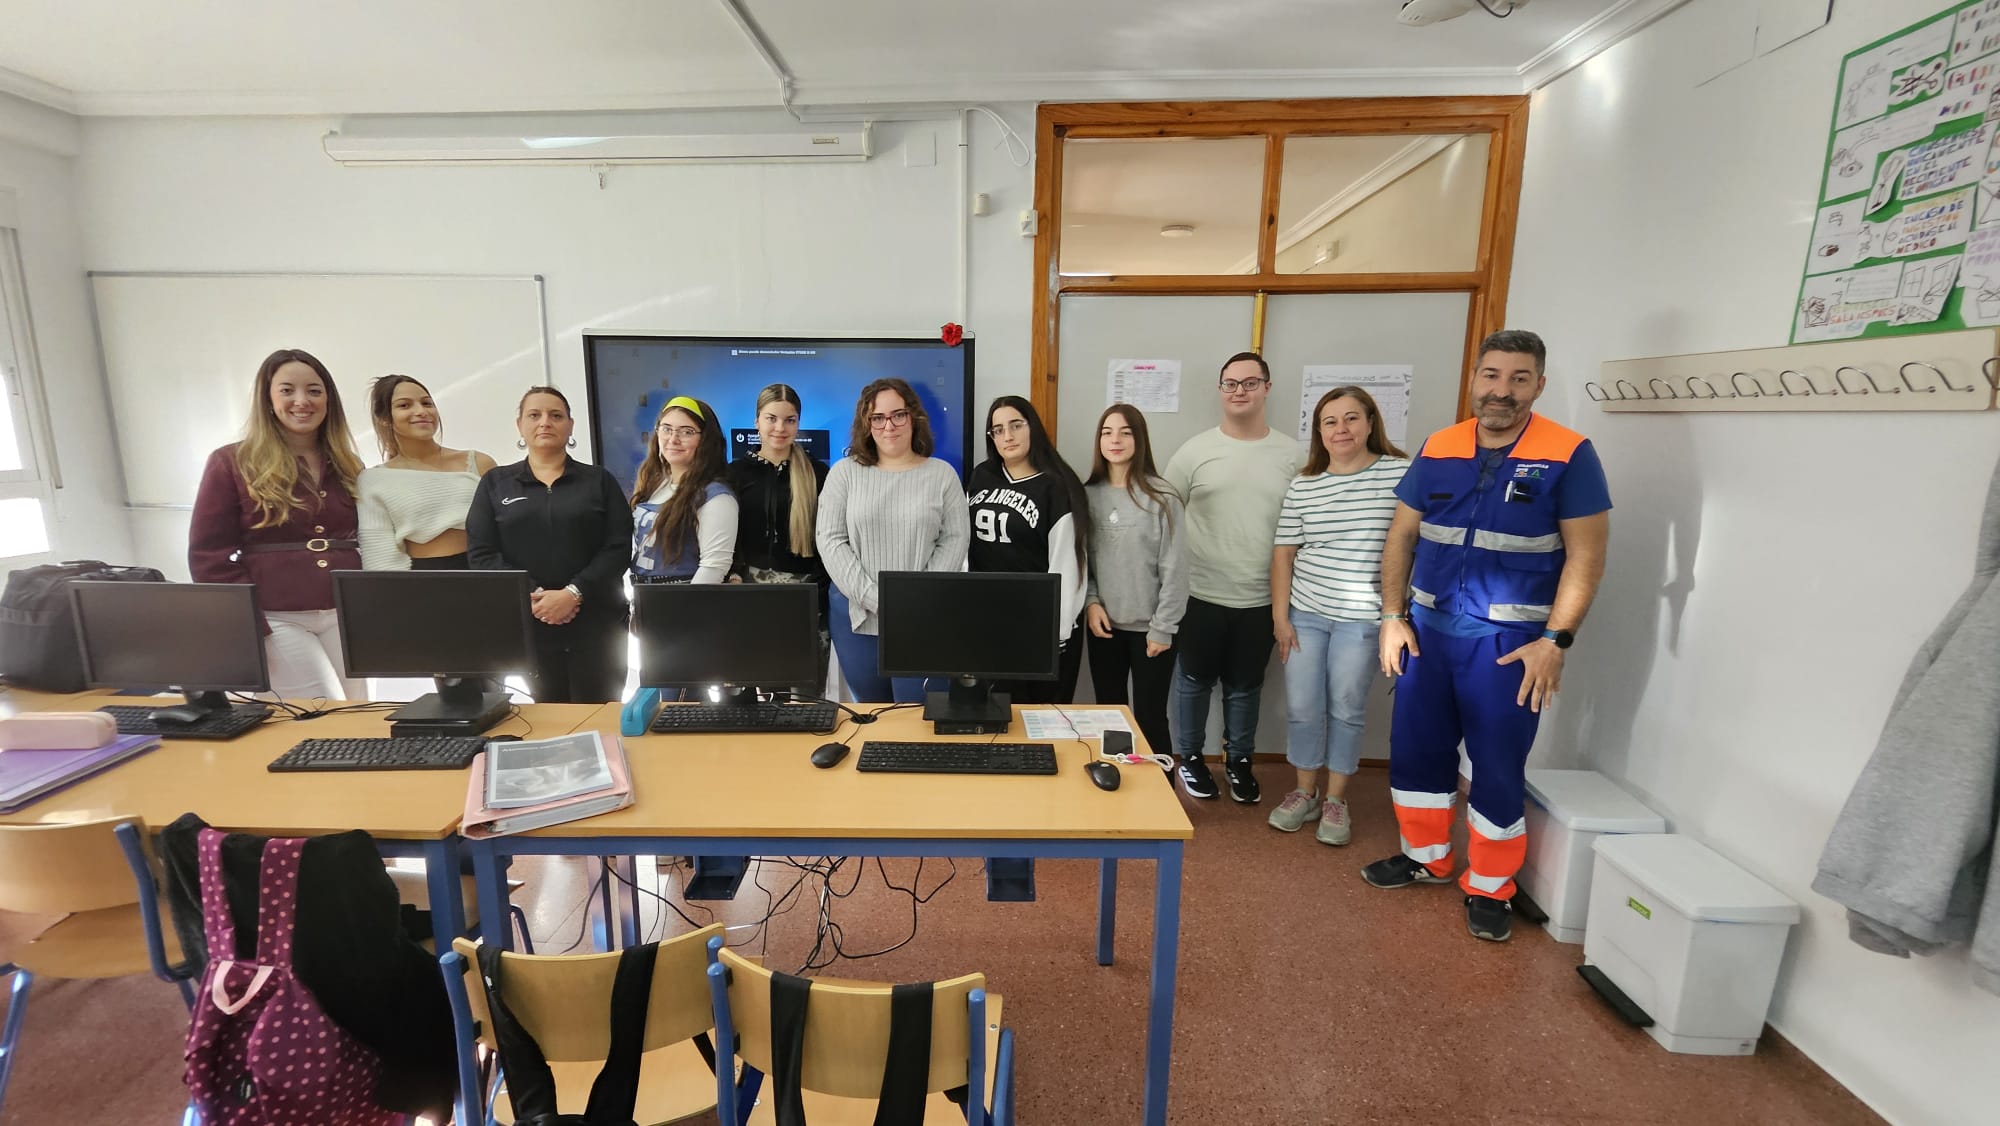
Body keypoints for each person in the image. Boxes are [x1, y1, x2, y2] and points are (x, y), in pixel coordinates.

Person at [1362, 330, 1611, 944]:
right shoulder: (1441, 446)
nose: (1502, 391)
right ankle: (1426, 857)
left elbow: (1587, 556)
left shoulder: (1569, 452)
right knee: (1418, 753)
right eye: (1492, 376)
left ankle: (1491, 885)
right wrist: (1392, 615)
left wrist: (1556, 641)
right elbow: (1401, 537)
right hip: (1427, 636)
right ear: (1475, 379)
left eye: (1519, 378)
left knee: (1498, 764)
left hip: (1509, 646)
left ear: (1539, 385)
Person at [1267, 387, 1410, 845]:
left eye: (1351, 418)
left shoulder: (1399, 474)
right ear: (1319, 432)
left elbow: (1413, 544)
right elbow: (1284, 554)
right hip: (1306, 614)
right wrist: (1280, 618)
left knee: (1346, 708)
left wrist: (1397, 615)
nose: (1341, 429)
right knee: (1303, 707)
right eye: (1330, 421)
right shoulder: (1304, 483)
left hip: (1365, 620)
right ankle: (1304, 792)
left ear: (1371, 423)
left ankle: (1336, 799)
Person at [188, 348, 368, 701]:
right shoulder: (232, 461)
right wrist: (250, 623)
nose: (302, 401)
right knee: (322, 707)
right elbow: (209, 554)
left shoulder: (348, 464)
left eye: (314, 391)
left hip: (343, 612)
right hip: (277, 616)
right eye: (287, 390)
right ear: (268, 399)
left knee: (359, 710)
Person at [1163, 352, 1303, 805]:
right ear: (1220, 390)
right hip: (1200, 592)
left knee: (1246, 686)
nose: (1239, 391)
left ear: (1267, 387)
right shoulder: (1194, 451)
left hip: (1261, 596)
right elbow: (1164, 516)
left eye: (1249, 382)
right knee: (1193, 681)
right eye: (1230, 383)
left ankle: (1239, 761)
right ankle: (1192, 759)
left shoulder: (1293, 454)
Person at [466, 387, 634, 704]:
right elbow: (482, 554)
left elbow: (619, 547)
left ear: (570, 426)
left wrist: (574, 592)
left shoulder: (599, 480)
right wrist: (536, 597)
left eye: (556, 416)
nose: (545, 422)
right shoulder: (495, 483)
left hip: (598, 624)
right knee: (546, 717)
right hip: (531, 622)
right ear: (520, 425)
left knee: (600, 713)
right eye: (535, 415)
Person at [816, 378, 969, 703]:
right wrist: (878, 599)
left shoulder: (942, 475)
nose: (889, 426)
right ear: (866, 424)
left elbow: (955, 540)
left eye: (898, 415)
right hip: (856, 616)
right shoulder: (844, 473)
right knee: (873, 715)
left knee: (919, 717)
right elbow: (830, 540)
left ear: (913, 417)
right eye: (878, 417)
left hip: (922, 616)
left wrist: (913, 600)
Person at [966, 396, 1089, 704]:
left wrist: (1058, 632)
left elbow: (1067, 563)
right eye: (997, 429)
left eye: (1016, 425)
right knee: (994, 716)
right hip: (988, 619)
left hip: (1037, 623)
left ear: (1033, 427)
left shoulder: (1057, 486)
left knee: (1039, 720)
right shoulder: (981, 475)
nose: (1007, 436)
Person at [1083, 404, 1187, 761]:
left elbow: (1175, 568)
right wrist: (1091, 602)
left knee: (1150, 717)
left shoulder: (1162, 496)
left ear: (1139, 439)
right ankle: (1120, 787)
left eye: (1125, 432)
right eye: (1107, 432)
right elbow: (1086, 562)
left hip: (1152, 631)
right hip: (1105, 627)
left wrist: (1163, 627)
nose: (1115, 440)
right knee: (1110, 715)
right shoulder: (1088, 494)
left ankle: (1162, 797)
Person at [356, 375, 496, 571]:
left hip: (491, 573)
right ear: (385, 419)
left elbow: (509, 529)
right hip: (426, 581)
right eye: (405, 405)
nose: (421, 411)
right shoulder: (372, 480)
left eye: (427, 403)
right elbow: (380, 558)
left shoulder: (479, 463)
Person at [725, 383, 829, 590]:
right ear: (757, 421)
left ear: (798, 423)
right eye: (771, 419)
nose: (780, 428)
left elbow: (829, 538)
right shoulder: (733, 474)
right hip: (745, 589)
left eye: (789, 420)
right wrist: (733, 575)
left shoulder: (819, 473)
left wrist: (820, 583)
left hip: (807, 592)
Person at [629, 395, 737, 585]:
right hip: (644, 600)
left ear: (705, 440)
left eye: (687, 432)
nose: (673, 439)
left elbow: (714, 567)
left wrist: (685, 610)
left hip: (682, 603)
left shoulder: (715, 496)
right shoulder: (653, 485)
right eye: (666, 429)